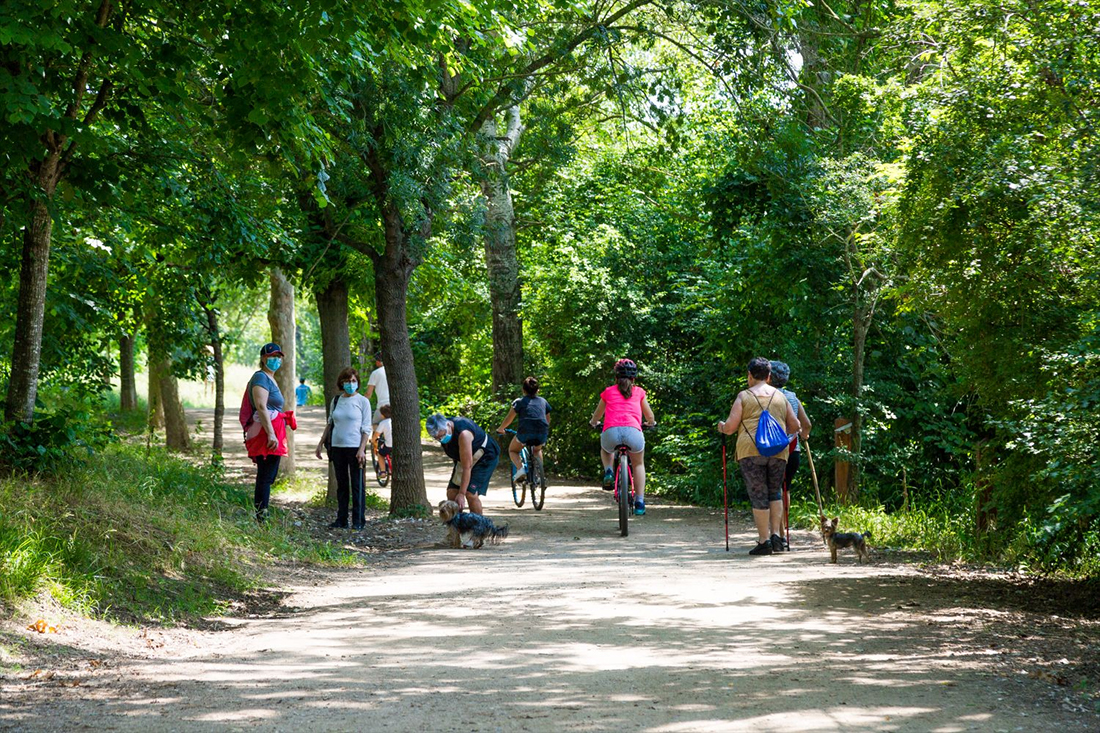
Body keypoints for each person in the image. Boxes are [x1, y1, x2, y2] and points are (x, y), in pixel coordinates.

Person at [717, 357, 801, 556]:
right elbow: (795, 426)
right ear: (769, 376)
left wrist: (721, 426)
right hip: (778, 451)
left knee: (758, 495)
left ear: (749, 375)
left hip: (750, 451)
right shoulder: (781, 397)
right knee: (775, 492)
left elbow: (730, 428)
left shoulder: (743, 396)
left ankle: (764, 542)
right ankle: (777, 538)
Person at [589, 358, 656, 516]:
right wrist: (650, 423)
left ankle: (608, 472)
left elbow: (597, 415)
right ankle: (639, 501)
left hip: (611, 432)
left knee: (606, 449)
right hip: (634, 432)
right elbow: (650, 417)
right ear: (634, 378)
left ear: (616, 377)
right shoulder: (639, 392)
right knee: (638, 464)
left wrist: (593, 422)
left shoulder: (608, 392)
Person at [244, 343, 297, 523]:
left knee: (269, 475)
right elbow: (261, 406)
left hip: (272, 431)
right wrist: (271, 434)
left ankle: (262, 512)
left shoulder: (270, 378)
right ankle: (261, 516)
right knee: (266, 475)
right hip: (265, 433)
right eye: (271, 357)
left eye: (278, 357)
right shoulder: (260, 378)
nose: (275, 360)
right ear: (263, 358)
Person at [314, 367, 372, 530]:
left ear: (357, 383)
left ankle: (358, 521)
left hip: (355, 449)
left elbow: (366, 428)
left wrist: (362, 449)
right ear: (341, 383)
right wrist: (320, 443)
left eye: (353, 381)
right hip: (338, 447)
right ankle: (342, 519)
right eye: (347, 381)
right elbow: (330, 422)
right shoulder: (336, 400)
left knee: (357, 485)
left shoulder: (363, 401)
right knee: (342, 485)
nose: (350, 384)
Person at [769, 360, 813, 548]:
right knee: (785, 489)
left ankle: (777, 533)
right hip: (793, 450)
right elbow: (807, 424)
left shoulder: (767, 396)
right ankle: (783, 530)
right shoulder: (793, 397)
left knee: (774, 489)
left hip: (773, 450)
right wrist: (804, 435)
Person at [425, 413, 500, 516]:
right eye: (437, 438)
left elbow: (467, 467)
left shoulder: (464, 433)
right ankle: (457, 528)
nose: (441, 440)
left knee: (470, 494)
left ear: (448, 425)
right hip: (464, 459)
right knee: (451, 493)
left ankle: (478, 528)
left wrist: (461, 493)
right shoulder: (442, 429)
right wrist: (458, 492)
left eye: (442, 436)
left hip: (485, 457)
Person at [496, 376, 551, 482]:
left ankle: (520, 469)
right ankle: (539, 474)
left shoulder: (519, 402)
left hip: (525, 431)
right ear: (537, 390)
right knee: (537, 450)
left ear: (523, 390)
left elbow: (509, 419)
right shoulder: (543, 401)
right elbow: (547, 419)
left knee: (513, 450)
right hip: (542, 431)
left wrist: (501, 428)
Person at [376, 403, 393, 477]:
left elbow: (376, 434)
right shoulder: (396, 421)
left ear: (383, 415)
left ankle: (383, 472)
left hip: (389, 445)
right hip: (398, 445)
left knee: (380, 454)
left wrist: (373, 441)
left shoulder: (383, 423)